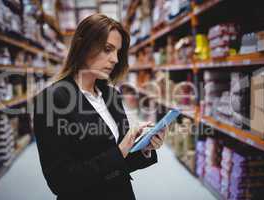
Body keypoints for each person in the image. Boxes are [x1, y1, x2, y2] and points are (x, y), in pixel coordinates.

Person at [33, 14, 166, 200]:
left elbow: (122, 161)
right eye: (107, 49)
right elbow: (60, 181)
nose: (115, 59)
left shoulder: (110, 94)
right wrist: (119, 152)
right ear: (83, 45)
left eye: (118, 52)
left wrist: (145, 147)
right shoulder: (52, 100)